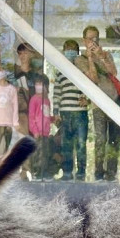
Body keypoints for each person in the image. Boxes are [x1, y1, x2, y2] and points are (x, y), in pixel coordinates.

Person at [82, 25, 120, 182]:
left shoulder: (106, 54)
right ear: (84, 40)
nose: (93, 41)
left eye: (96, 39)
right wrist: (91, 58)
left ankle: (112, 173)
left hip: (114, 101)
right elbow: (93, 78)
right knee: (100, 139)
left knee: (115, 138)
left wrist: (102, 56)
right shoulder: (81, 59)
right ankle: (98, 173)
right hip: (98, 105)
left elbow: (114, 72)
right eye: (90, 38)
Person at [54, 40, 89, 181]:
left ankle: (81, 173)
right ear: (63, 52)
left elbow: (88, 89)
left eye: (73, 49)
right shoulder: (60, 72)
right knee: (66, 144)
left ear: (77, 52)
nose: (70, 51)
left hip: (80, 113)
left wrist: (86, 99)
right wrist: (56, 112)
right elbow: (56, 93)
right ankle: (67, 172)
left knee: (81, 143)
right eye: (67, 49)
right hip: (65, 113)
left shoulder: (82, 70)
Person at [28, 82, 53, 180]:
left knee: (45, 152)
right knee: (38, 152)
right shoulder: (34, 99)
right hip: (38, 131)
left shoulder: (47, 100)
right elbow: (31, 116)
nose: (39, 86)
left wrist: (53, 120)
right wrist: (34, 130)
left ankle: (44, 171)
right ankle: (37, 172)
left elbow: (46, 115)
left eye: (41, 84)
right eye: (37, 84)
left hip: (46, 131)